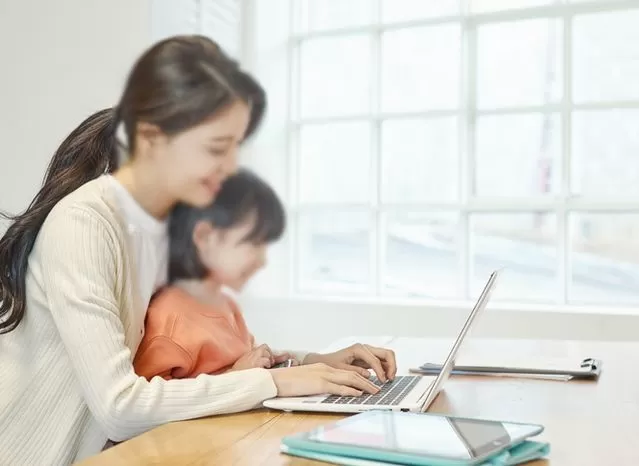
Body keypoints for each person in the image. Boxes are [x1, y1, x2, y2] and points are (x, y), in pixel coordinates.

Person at [0, 35, 396, 465]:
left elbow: (207, 352)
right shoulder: (84, 224)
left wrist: (308, 363)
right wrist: (279, 384)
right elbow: (120, 407)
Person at [133, 169, 296, 380]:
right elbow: (150, 400)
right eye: (254, 243)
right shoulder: (168, 318)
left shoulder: (227, 306)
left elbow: (246, 363)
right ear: (205, 236)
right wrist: (236, 375)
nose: (263, 261)